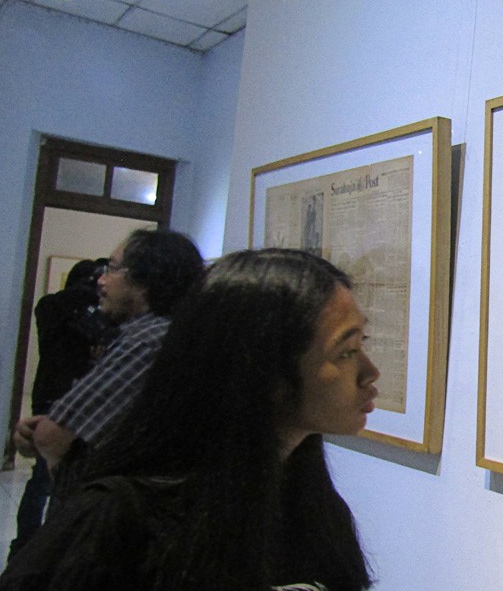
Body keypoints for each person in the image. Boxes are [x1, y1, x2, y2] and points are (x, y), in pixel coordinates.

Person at [0, 248, 378, 590]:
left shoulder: (313, 506)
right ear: (262, 369)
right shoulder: (117, 523)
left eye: (362, 344)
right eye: (346, 351)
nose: (370, 372)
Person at [13, 229, 205, 508]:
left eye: (112, 269)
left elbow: (51, 438)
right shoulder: (170, 334)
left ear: (145, 280)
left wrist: (48, 442)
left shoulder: (148, 340)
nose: (101, 281)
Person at [8, 260, 105, 560]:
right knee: (59, 482)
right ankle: (49, 547)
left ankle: (22, 545)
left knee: (39, 480)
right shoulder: (82, 311)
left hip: (46, 394)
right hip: (74, 399)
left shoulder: (49, 307)